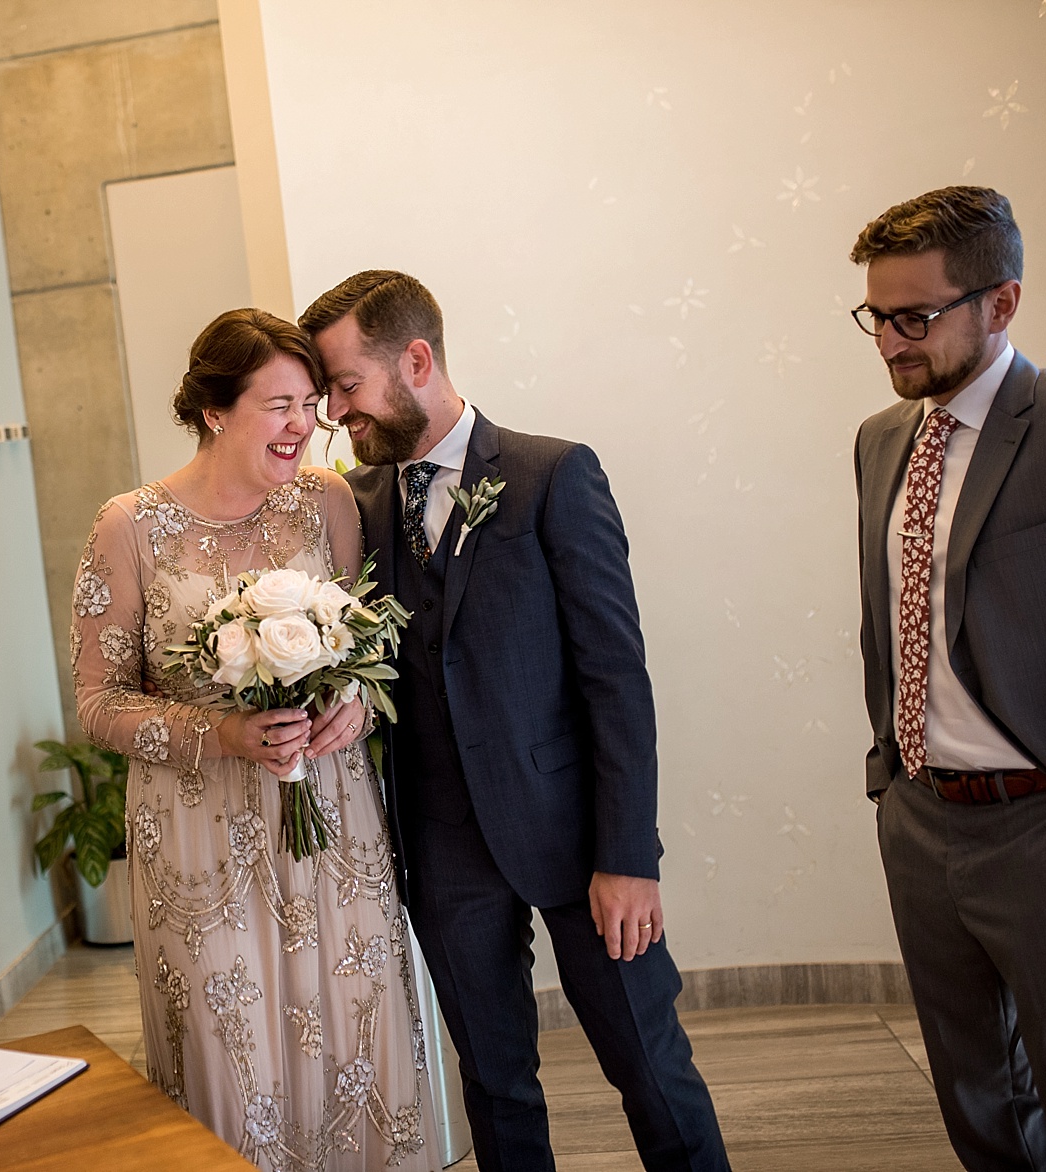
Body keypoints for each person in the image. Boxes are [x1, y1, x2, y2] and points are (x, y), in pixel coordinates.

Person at [301, 271, 729, 1172]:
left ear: (415, 360)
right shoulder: (353, 504)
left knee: (647, 1063)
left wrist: (627, 858)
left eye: (346, 385)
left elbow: (616, 679)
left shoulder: (551, 475)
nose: (337, 415)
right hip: (442, 841)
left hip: (578, 838)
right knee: (493, 1083)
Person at [70, 308, 438, 1170]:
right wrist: (223, 732)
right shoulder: (128, 527)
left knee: (351, 1030)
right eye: (279, 405)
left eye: (310, 402)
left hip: (329, 823)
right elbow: (97, 701)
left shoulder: (329, 502)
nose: (304, 426)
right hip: (197, 836)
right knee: (227, 1054)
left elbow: (365, 652)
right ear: (213, 412)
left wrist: (354, 703)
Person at [849, 186, 1046, 1170]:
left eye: (917, 316)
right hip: (921, 814)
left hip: (1045, 825)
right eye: (877, 316)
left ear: (1003, 301)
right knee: (973, 1086)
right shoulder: (882, 439)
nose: (891, 341)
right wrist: (888, 782)